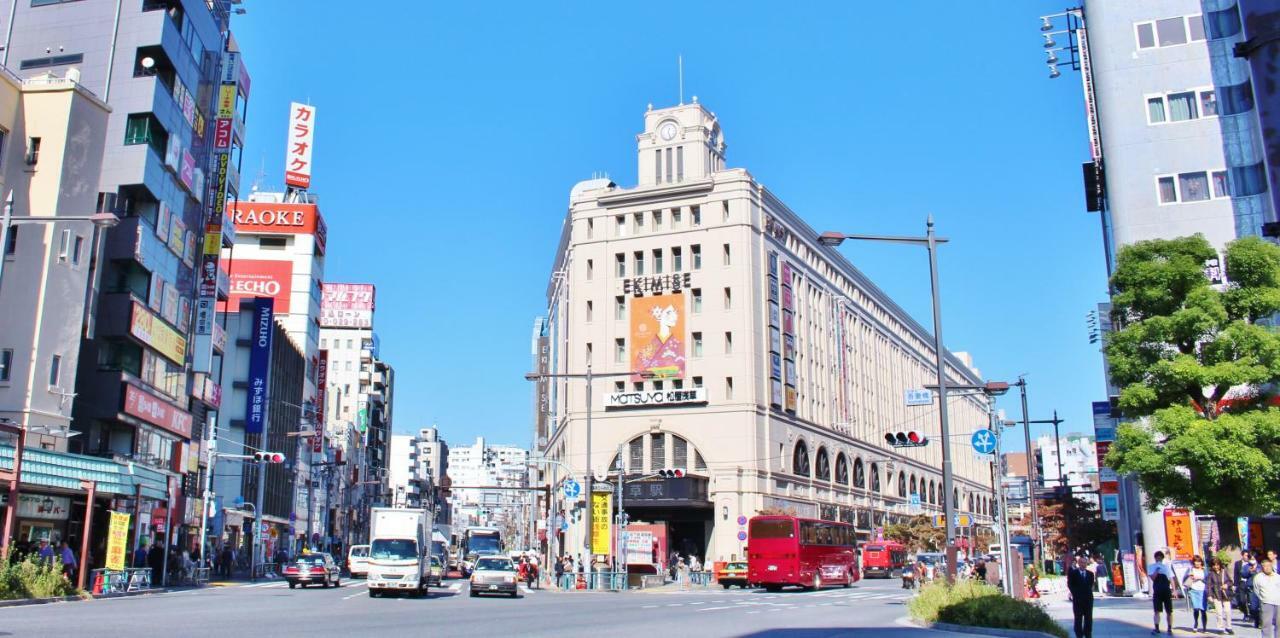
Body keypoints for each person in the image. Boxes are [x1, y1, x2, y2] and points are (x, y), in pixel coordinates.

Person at [1068, 553, 1096, 638]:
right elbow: (1070, 584)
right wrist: (1075, 593)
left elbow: (1091, 584)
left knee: (1088, 618)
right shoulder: (1074, 573)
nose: (1083, 564)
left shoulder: (1090, 574)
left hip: (1088, 599)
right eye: (1082, 563)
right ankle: (1079, 634)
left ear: (1087, 564)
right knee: (1078, 618)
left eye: (1085, 563)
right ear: (1078, 564)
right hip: (1077, 599)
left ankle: (1088, 633)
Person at [1148, 550, 1176, 635]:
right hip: (1157, 590)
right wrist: (1157, 570)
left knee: (1169, 611)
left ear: (1162, 558)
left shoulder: (1166, 567)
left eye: (1160, 557)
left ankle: (1169, 628)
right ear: (1155, 558)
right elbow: (1152, 578)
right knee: (1157, 610)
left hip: (1166, 590)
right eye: (1157, 557)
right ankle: (1157, 628)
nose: (1159, 559)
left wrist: (1174, 590)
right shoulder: (1151, 566)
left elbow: (1171, 578)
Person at [1206, 557, 1235, 635]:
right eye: (1214, 565)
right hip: (1216, 594)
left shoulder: (1224, 572)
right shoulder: (1210, 574)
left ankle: (1229, 627)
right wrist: (1209, 595)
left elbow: (1231, 581)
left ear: (1220, 565)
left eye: (1217, 565)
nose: (1216, 567)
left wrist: (1227, 585)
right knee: (1219, 612)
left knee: (1228, 611)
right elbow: (1208, 585)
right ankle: (1220, 628)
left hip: (1225, 594)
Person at [1183, 555, 1207, 633]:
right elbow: (1184, 579)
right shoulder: (1191, 569)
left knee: (1203, 609)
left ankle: (1204, 627)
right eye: (1196, 561)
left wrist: (1201, 579)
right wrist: (1190, 577)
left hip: (1203, 590)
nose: (1197, 563)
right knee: (1196, 608)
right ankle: (1196, 623)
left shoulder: (1205, 570)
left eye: (1199, 561)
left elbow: (1208, 580)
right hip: (1193, 590)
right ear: (1193, 562)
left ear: (1201, 562)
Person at [1257, 556, 1280, 638]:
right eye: (1265, 566)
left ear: (1272, 566)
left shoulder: (1277, 577)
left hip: (1278, 602)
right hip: (1266, 602)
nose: (1267, 568)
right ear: (1262, 567)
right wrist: (1263, 598)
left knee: (1278, 623)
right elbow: (1257, 590)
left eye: (1268, 566)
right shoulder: (1258, 577)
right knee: (1266, 624)